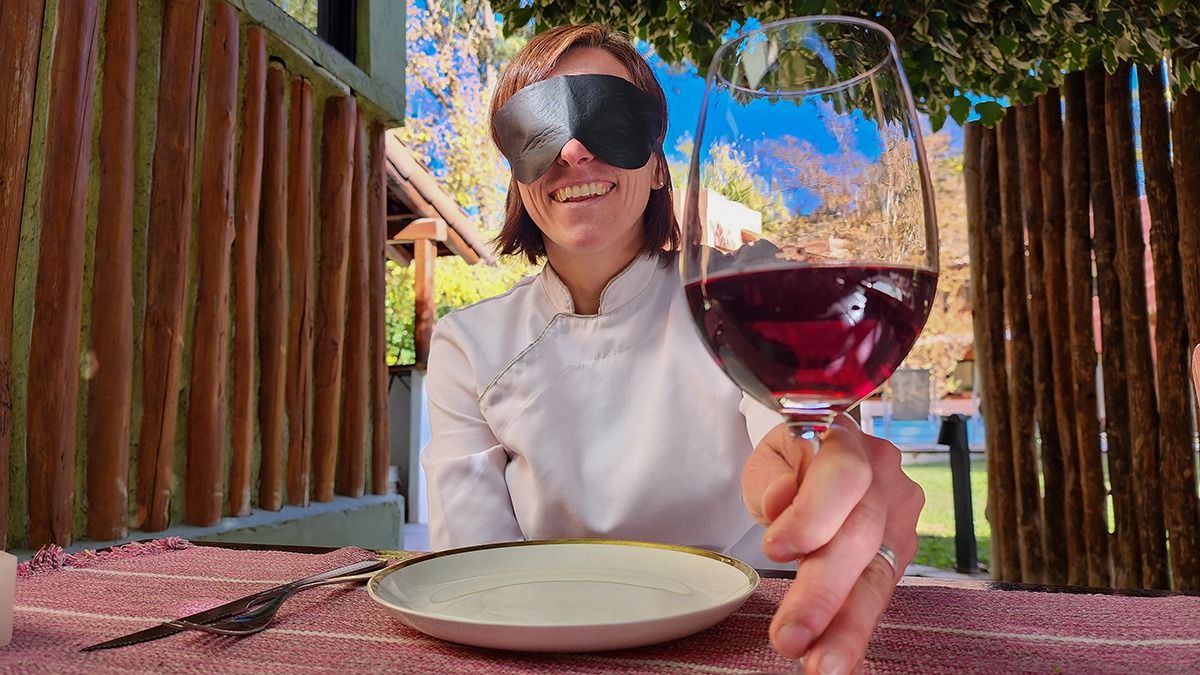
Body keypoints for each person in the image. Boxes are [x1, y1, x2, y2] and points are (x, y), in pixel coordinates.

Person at [421, 23, 924, 673]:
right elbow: (473, 575)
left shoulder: (736, 298)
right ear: (519, 178)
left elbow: (802, 428)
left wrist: (835, 457)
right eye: (539, 126)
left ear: (658, 164)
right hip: (546, 647)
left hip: (755, 636)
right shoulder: (469, 344)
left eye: (608, 118)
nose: (573, 149)